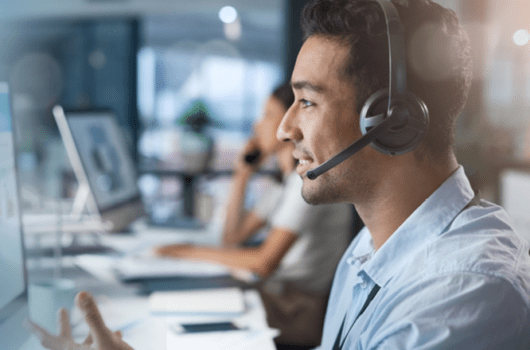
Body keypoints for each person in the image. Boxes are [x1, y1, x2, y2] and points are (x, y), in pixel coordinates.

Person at [27, 0, 530, 349]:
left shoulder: (463, 290)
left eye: (307, 101)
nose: (286, 129)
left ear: (392, 121)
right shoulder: (373, 248)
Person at [155, 82, 352, 348]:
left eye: (269, 115)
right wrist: (242, 175)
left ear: (290, 123)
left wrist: (185, 251)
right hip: (279, 298)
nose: (258, 126)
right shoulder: (283, 183)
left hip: (297, 312)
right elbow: (232, 237)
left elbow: (263, 263)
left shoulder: (306, 184)